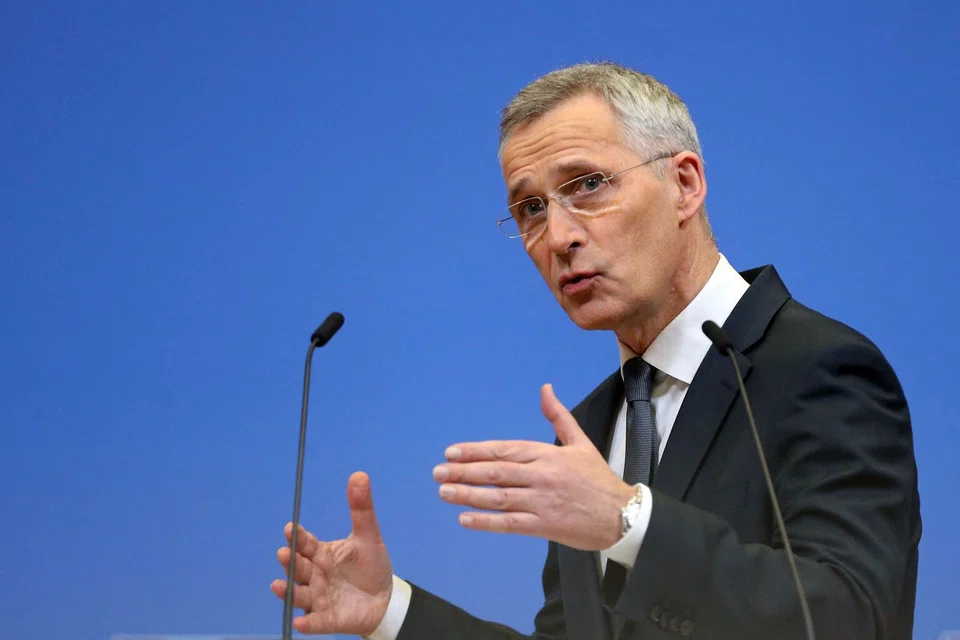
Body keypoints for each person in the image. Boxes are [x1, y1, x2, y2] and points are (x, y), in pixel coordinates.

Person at [270, 62, 921, 639]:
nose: (557, 237)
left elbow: (850, 617)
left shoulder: (817, 367)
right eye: (530, 208)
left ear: (684, 185)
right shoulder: (588, 428)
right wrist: (389, 612)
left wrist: (625, 521)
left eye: (587, 184)